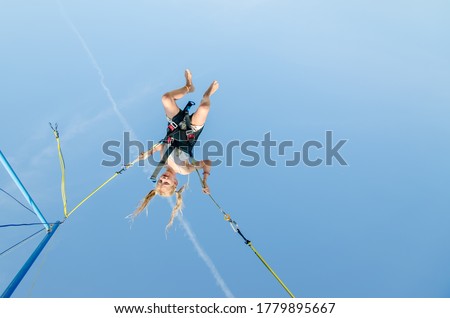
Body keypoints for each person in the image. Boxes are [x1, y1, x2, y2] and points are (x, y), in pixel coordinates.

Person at [129, 69, 219, 229]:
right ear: (175, 183)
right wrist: (205, 180)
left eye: (160, 181)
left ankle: (188, 87)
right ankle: (207, 94)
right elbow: (206, 161)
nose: (163, 179)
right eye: (166, 182)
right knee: (204, 107)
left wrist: (144, 155)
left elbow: (159, 146)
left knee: (166, 98)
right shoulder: (185, 170)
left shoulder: (162, 161)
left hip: (175, 126)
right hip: (192, 131)